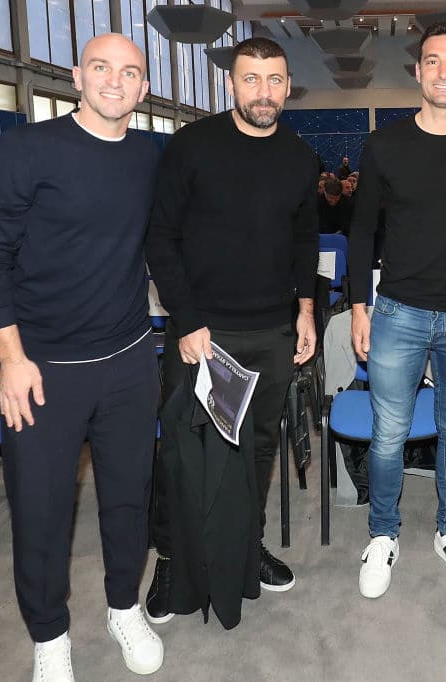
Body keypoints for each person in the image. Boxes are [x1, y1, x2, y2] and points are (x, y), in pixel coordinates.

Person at [0, 33, 164, 681]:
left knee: (128, 500)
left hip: (132, 361)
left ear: (142, 87)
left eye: (129, 71)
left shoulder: (146, 157)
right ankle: (49, 636)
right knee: (41, 510)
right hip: (41, 369)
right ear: (77, 76)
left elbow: (173, 245)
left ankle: (123, 605)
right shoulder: (29, 148)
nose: (115, 80)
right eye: (102, 68)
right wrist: (11, 359)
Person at [144, 36, 318, 623]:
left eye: (274, 80)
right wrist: (187, 321)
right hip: (203, 337)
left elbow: (303, 242)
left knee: (258, 451)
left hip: (270, 333)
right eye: (251, 79)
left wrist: (306, 310)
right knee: (183, 455)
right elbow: (161, 238)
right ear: (231, 84)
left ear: (287, 85)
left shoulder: (298, 154)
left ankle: (246, 546)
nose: (263, 92)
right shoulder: (192, 147)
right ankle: (172, 560)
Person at [348, 20, 446, 599]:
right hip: (397, 313)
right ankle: (383, 534)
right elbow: (363, 229)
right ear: (417, 71)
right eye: (433, 61)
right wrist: (359, 307)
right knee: (389, 434)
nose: (444, 71)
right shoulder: (385, 144)